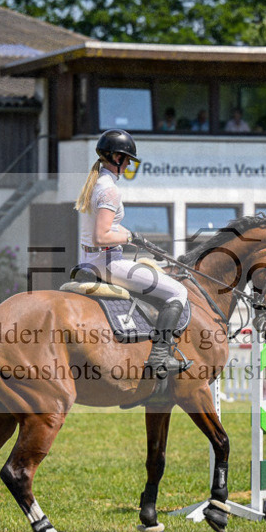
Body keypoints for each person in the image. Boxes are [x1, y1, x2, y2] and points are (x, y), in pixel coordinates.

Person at [74, 129, 189, 377]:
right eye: (126, 159)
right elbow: (102, 236)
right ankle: (160, 356)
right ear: (116, 157)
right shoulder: (110, 190)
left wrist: (137, 238)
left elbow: (109, 227)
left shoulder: (97, 183)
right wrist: (128, 237)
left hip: (89, 260)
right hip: (107, 263)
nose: (127, 165)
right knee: (179, 291)